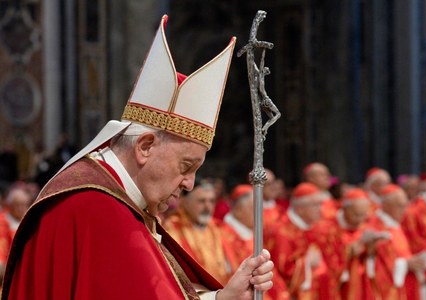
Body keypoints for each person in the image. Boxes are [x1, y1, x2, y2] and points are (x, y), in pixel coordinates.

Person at [1, 15, 273, 300]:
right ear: (144, 146)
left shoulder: (117, 202)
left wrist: (223, 298)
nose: (190, 184)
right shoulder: (98, 209)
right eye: (186, 166)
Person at [266, 182, 336, 299]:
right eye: (316, 205)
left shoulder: (314, 226)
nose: (321, 210)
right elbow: (280, 270)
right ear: (300, 208)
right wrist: (307, 262)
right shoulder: (282, 232)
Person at [368, 184, 426, 300]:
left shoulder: (394, 225)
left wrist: (417, 261)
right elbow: (376, 263)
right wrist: (406, 264)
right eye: (400, 206)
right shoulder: (376, 228)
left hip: (407, 282)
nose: (404, 211)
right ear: (385, 205)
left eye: (405, 206)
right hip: (388, 288)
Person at [163, 182, 231, 284]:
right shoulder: (173, 228)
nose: (207, 206)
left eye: (211, 201)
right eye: (201, 201)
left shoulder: (217, 228)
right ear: (185, 202)